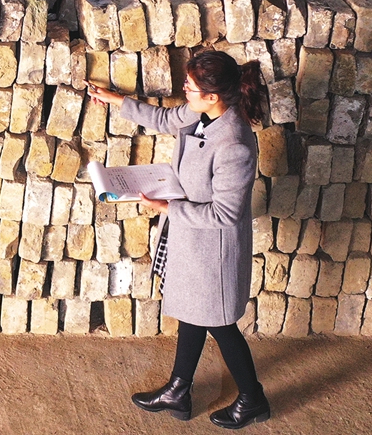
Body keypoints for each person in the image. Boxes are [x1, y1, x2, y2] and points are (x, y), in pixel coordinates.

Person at [88, 50, 271, 430]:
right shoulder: (204, 111)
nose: (183, 91)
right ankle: (178, 390)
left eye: (190, 87)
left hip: (213, 250)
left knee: (219, 324)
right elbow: (166, 118)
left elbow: (226, 214)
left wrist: (167, 207)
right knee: (193, 313)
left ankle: (253, 399)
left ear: (213, 95)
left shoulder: (234, 143)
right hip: (193, 242)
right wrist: (117, 100)